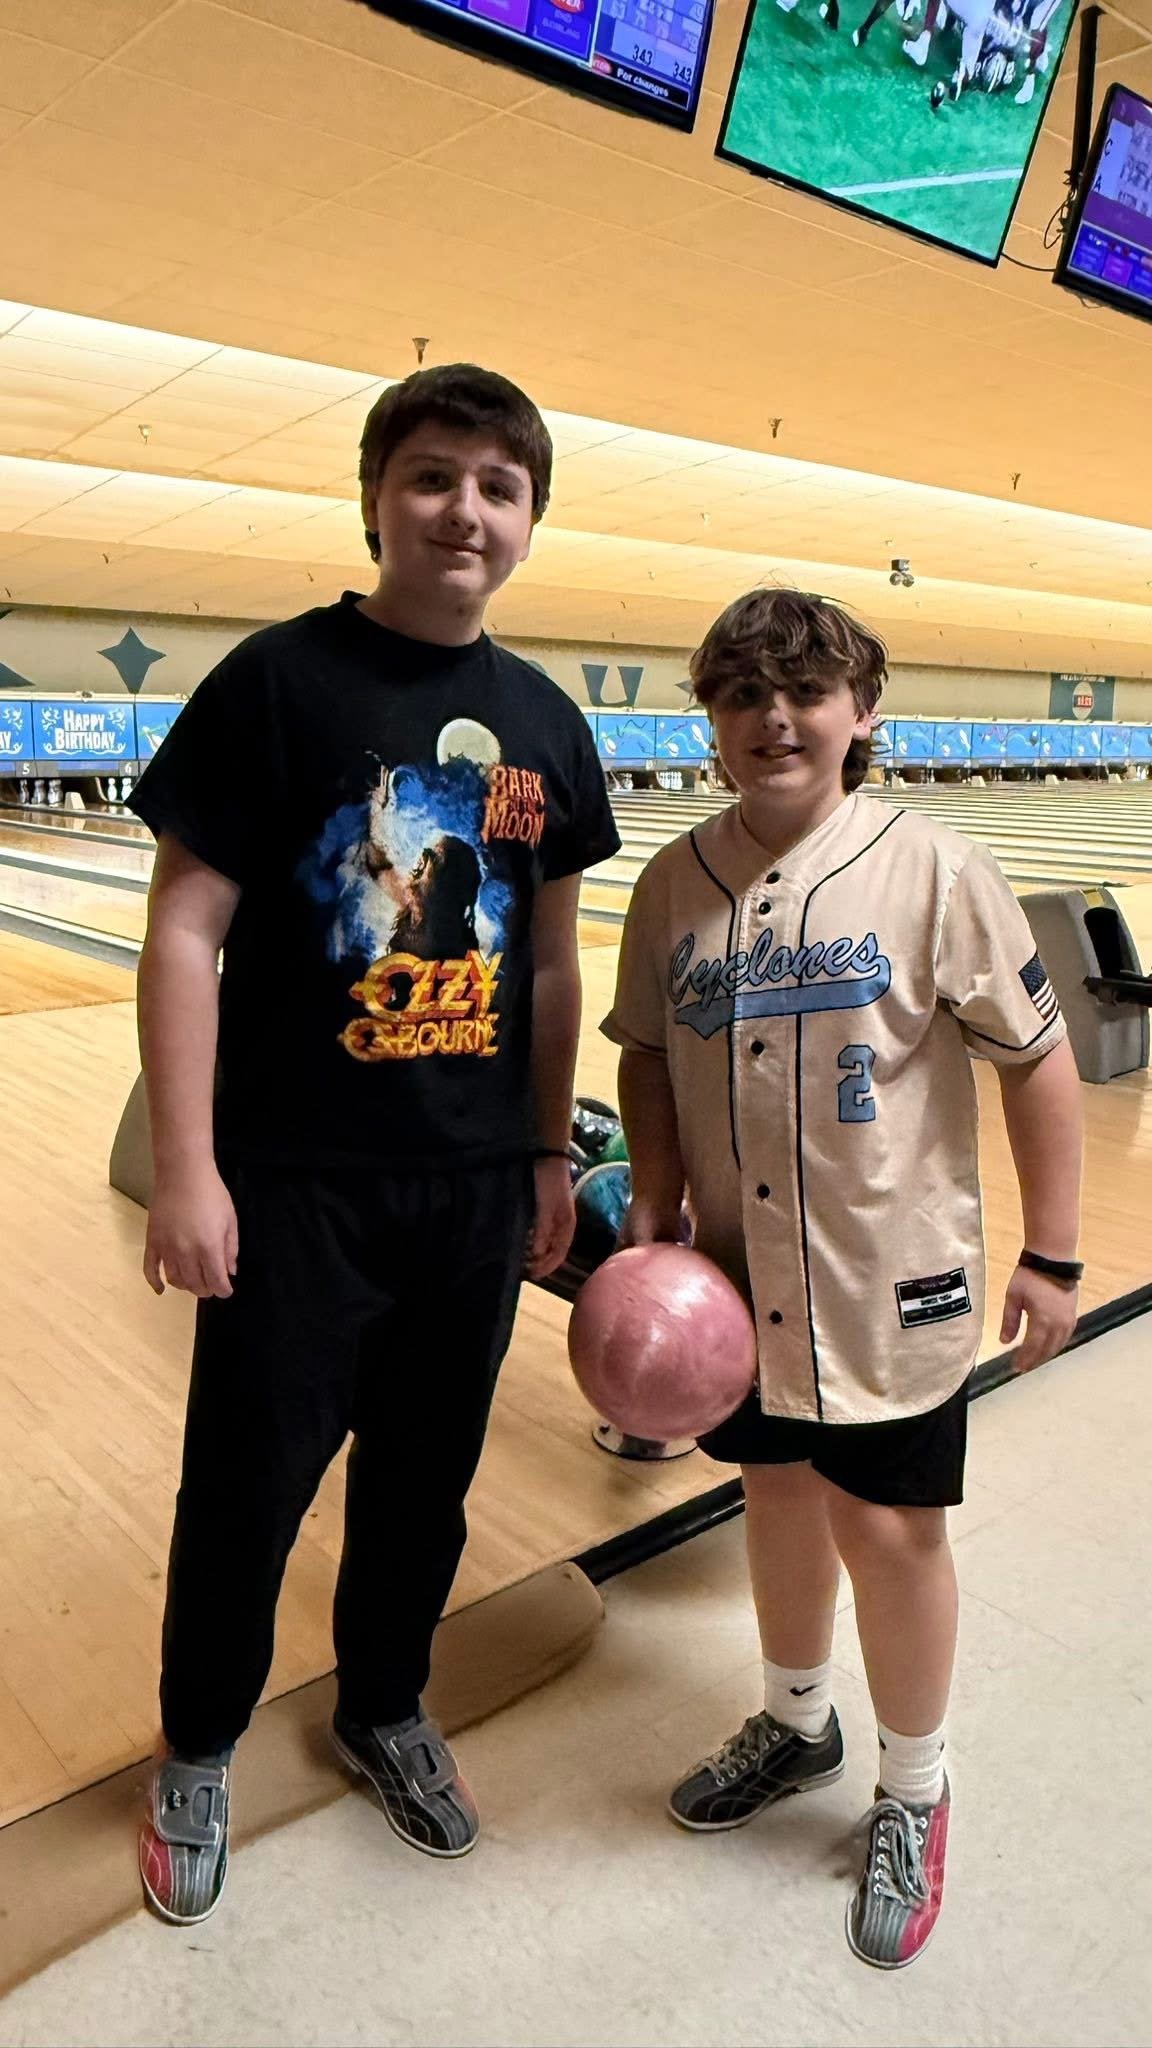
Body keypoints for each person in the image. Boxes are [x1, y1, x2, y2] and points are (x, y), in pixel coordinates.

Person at [130, 363, 620, 1925]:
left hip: (475, 1189)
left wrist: (549, 1157)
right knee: (250, 1484)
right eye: (432, 476)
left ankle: (383, 1706)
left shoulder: (548, 721)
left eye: (497, 486)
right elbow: (183, 927)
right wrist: (193, 1167)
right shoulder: (279, 683)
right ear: (374, 497)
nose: (462, 509)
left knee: (428, 1479)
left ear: (529, 523)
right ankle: (199, 1745)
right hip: (295, 1183)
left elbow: (549, 965)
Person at [601, 588, 1082, 1969]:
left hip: (892, 1281)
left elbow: (1038, 1056)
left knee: (890, 1534)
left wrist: (1054, 1255)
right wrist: (650, 1187)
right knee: (777, 1498)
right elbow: (642, 1048)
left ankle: (916, 1795)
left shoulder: (933, 866)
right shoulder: (671, 882)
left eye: (806, 692)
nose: (774, 718)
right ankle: (797, 1723)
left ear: (861, 714)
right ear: (712, 723)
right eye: (743, 696)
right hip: (733, 1285)